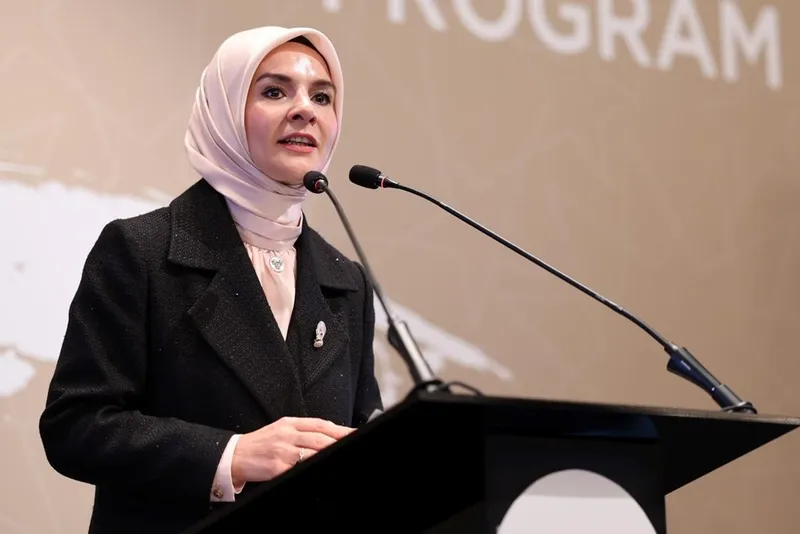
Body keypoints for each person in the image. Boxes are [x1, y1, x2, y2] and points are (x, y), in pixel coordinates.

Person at [38, 25, 383, 533]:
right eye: (274, 91)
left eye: (322, 97)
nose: (305, 110)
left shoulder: (346, 281)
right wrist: (230, 456)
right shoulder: (143, 251)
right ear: (223, 111)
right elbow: (76, 426)